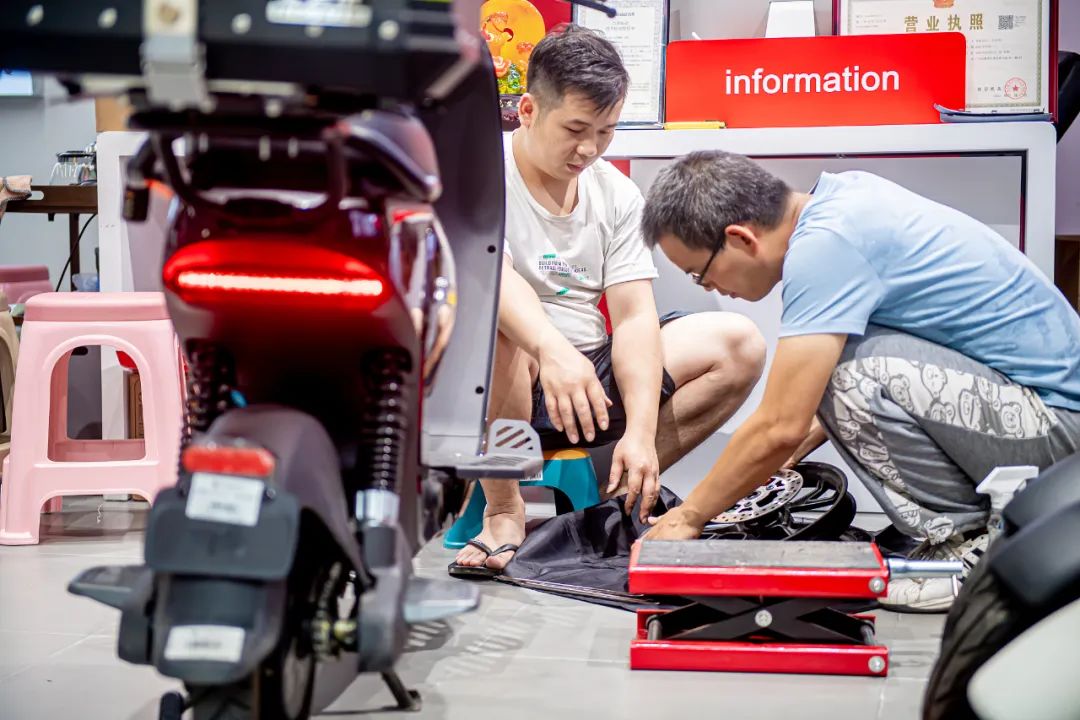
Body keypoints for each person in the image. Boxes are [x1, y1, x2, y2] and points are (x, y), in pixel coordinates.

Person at [639, 150, 1080, 611]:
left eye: (699, 273)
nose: (706, 288)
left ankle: (970, 549)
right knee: (840, 372)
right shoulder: (842, 199)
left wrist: (689, 516)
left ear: (741, 238)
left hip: (1059, 436)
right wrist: (782, 457)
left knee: (845, 373)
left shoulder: (826, 247)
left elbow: (779, 425)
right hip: (1044, 416)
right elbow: (795, 431)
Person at [450, 29, 766, 576]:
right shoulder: (480, 172)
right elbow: (491, 278)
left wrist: (642, 432)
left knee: (739, 343)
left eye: (606, 131)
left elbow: (635, 316)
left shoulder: (615, 194)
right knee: (499, 329)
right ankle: (503, 510)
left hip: (588, 381)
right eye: (575, 130)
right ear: (527, 110)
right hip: (502, 384)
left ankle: (615, 488)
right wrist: (551, 349)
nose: (590, 149)